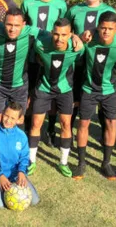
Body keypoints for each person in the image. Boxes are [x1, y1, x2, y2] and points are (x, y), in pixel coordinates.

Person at [59, 0, 116, 147]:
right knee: (75, 97)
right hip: (77, 61)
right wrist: (75, 36)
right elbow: (67, 30)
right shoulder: (75, 9)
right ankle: (68, 133)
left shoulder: (108, 10)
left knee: (102, 100)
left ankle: (102, 135)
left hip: (100, 62)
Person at [73, 11, 116, 180]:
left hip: (110, 89)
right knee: (83, 123)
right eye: (103, 28)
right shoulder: (88, 40)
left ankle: (106, 163)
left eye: (110, 29)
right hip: (89, 89)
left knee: (111, 123)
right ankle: (81, 163)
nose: (106, 32)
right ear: (97, 27)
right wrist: (78, 36)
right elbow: (70, 38)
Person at [28, 18, 85, 177]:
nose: (59, 38)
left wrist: (78, 38)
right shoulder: (40, 45)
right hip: (44, 88)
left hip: (65, 90)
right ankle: (31, 161)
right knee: (36, 123)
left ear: (71, 35)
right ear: (51, 33)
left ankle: (63, 162)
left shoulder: (77, 49)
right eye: (56, 34)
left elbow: (81, 70)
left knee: (66, 124)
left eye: (64, 35)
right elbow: (28, 29)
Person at [21, 0, 67, 136]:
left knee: (53, 91)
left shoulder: (61, 5)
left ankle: (50, 130)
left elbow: (65, 27)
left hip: (52, 56)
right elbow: (23, 26)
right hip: (31, 55)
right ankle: (27, 128)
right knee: (30, 92)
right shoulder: (28, 3)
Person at [0, 102, 40, 208]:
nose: (8, 120)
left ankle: (16, 183)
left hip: (16, 175)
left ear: (19, 119)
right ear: (2, 113)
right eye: (6, 115)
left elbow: (24, 157)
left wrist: (21, 172)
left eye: (13, 118)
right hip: (0, 175)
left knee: (34, 201)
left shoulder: (22, 136)